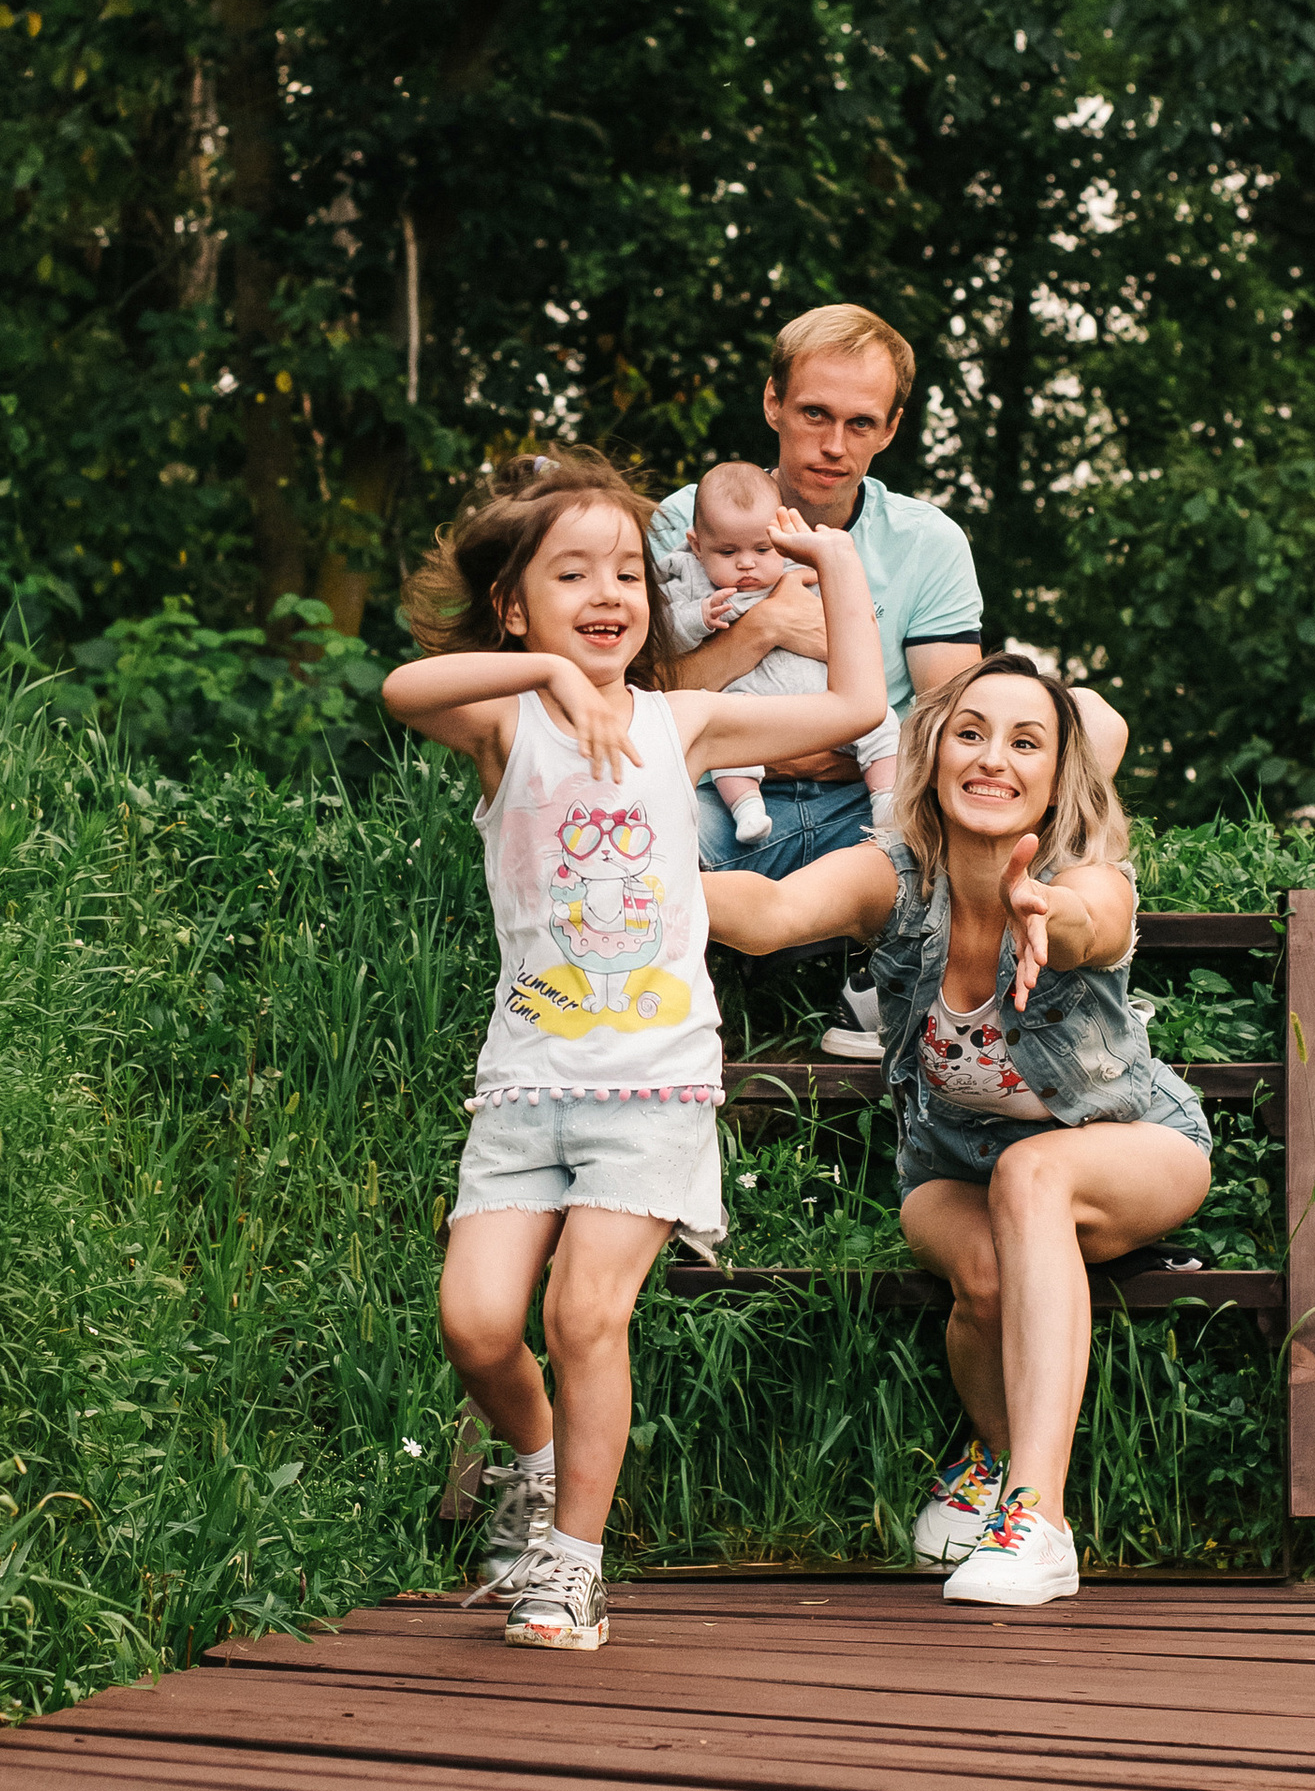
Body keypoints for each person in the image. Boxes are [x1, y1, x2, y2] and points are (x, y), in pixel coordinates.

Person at [384, 448, 887, 1650]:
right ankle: (538, 1462)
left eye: (624, 572)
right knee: (475, 1325)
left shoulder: (682, 722)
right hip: (524, 1084)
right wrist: (549, 671)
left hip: (654, 1082)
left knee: (583, 1316)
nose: (608, 593)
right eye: (571, 575)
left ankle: (574, 1565)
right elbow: (404, 686)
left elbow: (857, 708)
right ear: (514, 608)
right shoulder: (505, 723)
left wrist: (834, 563)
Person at [702, 653, 1212, 1610]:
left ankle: (1038, 1522)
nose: (992, 758)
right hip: (952, 1165)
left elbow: (1096, 924)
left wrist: (1048, 914)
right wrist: (650, 887)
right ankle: (996, 1455)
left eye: (1025, 743)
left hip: (1130, 1147)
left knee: (1033, 1180)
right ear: (934, 755)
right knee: (985, 1271)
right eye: (971, 734)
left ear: (1057, 779)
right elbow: (772, 911)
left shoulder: (1085, 876)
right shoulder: (894, 877)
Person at [650, 303, 985, 885]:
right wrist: (765, 628)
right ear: (772, 403)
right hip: (717, 798)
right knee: (630, 846)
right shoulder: (688, 521)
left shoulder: (927, 542)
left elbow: (952, 722)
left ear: (890, 429)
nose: (834, 445)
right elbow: (637, 702)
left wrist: (817, 753)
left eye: (861, 424)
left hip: (869, 799)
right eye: (815, 414)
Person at [660, 460, 899, 849]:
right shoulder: (689, 578)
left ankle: (887, 800)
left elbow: (850, 622)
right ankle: (747, 808)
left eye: (762, 548)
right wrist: (697, 619)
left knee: (882, 722)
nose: (747, 563)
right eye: (727, 551)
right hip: (751, 704)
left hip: (824, 702)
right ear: (697, 545)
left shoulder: (802, 563)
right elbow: (663, 633)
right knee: (725, 737)